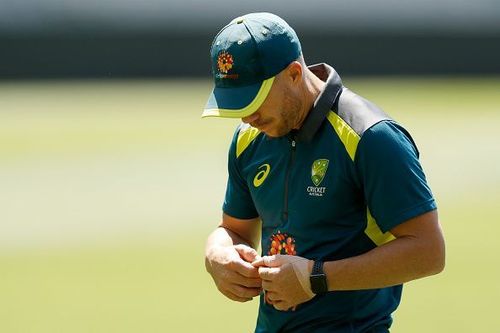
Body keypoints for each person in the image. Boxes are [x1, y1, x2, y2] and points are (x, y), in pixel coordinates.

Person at [202, 12, 445, 333]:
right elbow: (232, 229)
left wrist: (316, 277)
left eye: (253, 100)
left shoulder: (371, 136)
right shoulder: (249, 139)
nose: (247, 116)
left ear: (292, 74)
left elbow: (428, 251)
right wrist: (216, 255)